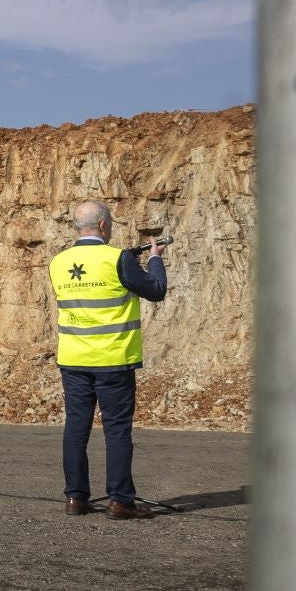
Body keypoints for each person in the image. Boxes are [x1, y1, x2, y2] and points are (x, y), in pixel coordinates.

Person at [49, 200, 168, 518]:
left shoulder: (59, 262)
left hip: (73, 358)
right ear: (103, 225)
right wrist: (154, 260)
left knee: (76, 427)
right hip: (113, 358)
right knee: (116, 429)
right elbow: (156, 290)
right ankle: (120, 500)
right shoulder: (118, 259)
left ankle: (75, 498)